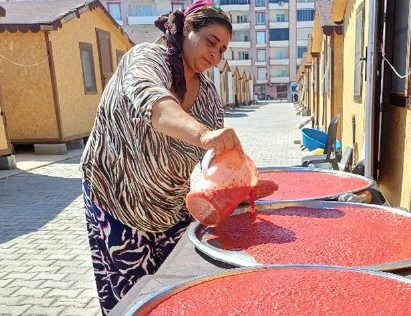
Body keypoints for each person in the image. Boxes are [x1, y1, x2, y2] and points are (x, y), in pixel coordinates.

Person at [80, 1, 276, 314]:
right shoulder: (146, 58)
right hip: (118, 198)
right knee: (132, 300)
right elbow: (155, 104)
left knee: (175, 294)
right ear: (186, 29)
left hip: (173, 208)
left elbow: (212, 164)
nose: (215, 54)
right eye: (211, 42)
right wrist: (203, 135)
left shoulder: (209, 94)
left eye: (223, 50)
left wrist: (242, 189)